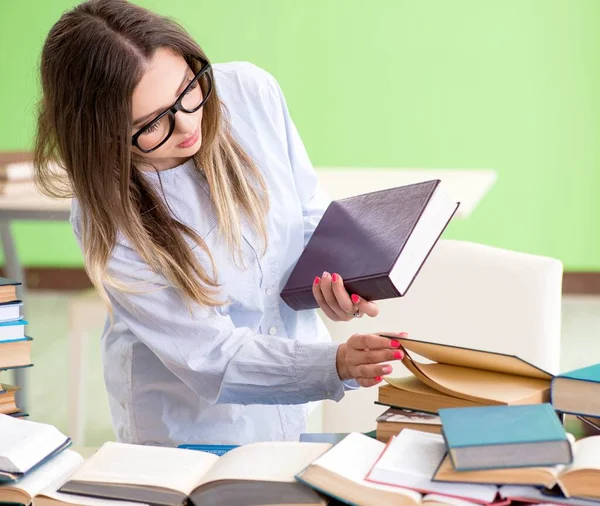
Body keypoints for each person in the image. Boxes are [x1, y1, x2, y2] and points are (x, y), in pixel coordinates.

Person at [34, 0, 405, 446]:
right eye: (151, 123)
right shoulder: (107, 216)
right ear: (101, 133)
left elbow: (306, 212)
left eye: (188, 91)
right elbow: (209, 356)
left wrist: (336, 281)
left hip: (297, 401)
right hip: (191, 428)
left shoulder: (250, 92)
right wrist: (334, 365)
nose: (188, 123)